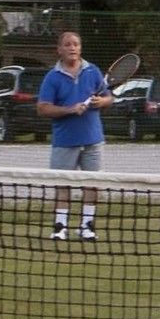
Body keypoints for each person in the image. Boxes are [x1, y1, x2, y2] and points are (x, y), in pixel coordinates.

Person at [35, 30, 111, 239]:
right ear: (59, 49)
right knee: (63, 184)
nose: (72, 48)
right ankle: (60, 227)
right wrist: (70, 109)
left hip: (93, 140)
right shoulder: (52, 77)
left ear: (80, 48)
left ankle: (87, 227)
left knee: (92, 184)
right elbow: (42, 108)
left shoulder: (93, 71)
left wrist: (101, 101)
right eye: (67, 44)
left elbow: (108, 98)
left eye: (76, 44)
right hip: (65, 141)